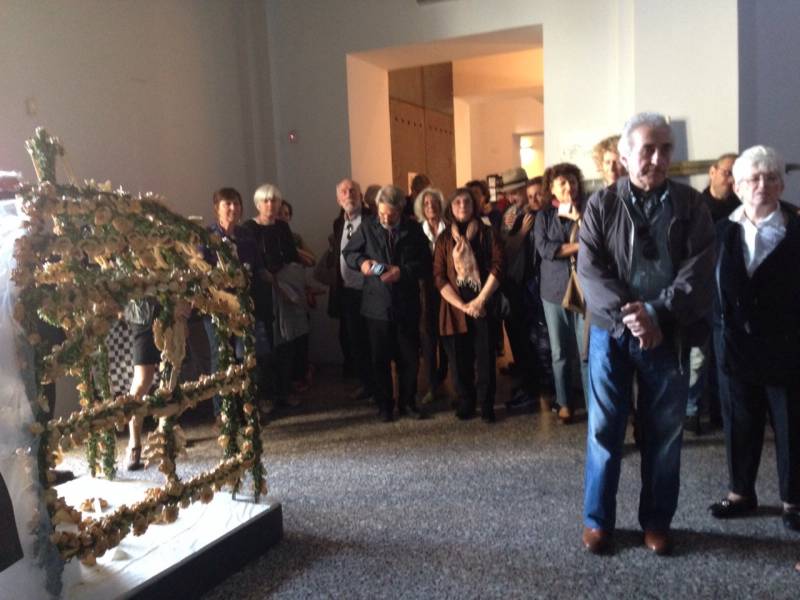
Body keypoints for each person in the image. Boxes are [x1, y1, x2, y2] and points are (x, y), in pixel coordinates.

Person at [578, 112, 715, 555]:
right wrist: (630, 316)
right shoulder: (601, 205)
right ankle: (598, 521)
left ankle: (656, 522)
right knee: (604, 430)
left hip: (667, 334)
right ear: (624, 155)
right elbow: (590, 273)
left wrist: (657, 313)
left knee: (664, 434)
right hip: (610, 335)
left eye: (666, 149)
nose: (657, 158)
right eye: (647, 149)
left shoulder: (691, 205)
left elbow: (699, 270)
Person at [708, 145, 800, 533]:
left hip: (787, 345)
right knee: (739, 420)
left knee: (791, 424)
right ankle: (741, 492)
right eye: (752, 178)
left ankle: (793, 499)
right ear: (738, 186)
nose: (761, 184)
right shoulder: (721, 230)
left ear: (780, 184)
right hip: (735, 345)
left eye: (770, 177)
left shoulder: (796, 227)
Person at [343, 185, 431, 421]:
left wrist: (402, 272)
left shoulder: (413, 230)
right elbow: (349, 253)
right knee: (379, 358)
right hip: (376, 305)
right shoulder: (368, 226)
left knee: (409, 358)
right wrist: (361, 262)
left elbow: (426, 263)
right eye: (381, 213)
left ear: (400, 210)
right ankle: (384, 405)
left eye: (390, 214)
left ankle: (408, 402)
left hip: (406, 304)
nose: (385, 218)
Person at [434, 188, 504, 423]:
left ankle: (486, 404)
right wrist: (463, 306)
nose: (462, 206)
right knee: (458, 360)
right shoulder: (444, 239)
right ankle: (466, 401)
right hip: (454, 309)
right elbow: (439, 276)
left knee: (485, 359)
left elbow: (498, 265)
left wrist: (480, 300)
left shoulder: (487, 233)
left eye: (466, 202)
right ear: (451, 208)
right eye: (457, 202)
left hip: (483, 306)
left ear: (473, 205)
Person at [685, 152, 740, 435]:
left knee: (725, 356)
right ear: (712, 171)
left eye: (735, 174)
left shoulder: (741, 208)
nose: (731, 179)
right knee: (698, 357)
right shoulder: (694, 206)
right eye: (727, 172)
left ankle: (720, 411)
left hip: (730, 294)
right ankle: (692, 411)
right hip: (700, 293)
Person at [534, 163, 589, 424]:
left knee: (587, 351)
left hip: (586, 291)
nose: (569, 187)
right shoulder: (543, 217)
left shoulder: (590, 210)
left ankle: (593, 404)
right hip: (554, 291)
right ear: (552, 188)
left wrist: (578, 220)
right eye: (562, 183)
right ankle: (564, 402)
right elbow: (546, 249)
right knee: (559, 352)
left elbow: (599, 243)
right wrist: (579, 245)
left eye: (573, 181)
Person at [242, 184, 303, 412]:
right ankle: (266, 394)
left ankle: (285, 391)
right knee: (264, 345)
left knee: (285, 344)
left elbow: (291, 257)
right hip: (261, 294)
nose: (271, 205)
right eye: (266, 201)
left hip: (282, 291)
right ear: (258, 204)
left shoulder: (283, 228)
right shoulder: (248, 228)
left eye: (275, 201)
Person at [327, 178, 374, 397]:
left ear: (360, 195)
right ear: (338, 199)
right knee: (355, 342)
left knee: (374, 341)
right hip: (347, 293)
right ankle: (366, 384)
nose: (349, 194)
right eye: (344, 192)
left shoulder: (372, 220)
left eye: (353, 190)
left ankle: (380, 387)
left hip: (370, 292)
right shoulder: (338, 224)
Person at [414, 187, 448, 404]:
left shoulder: (450, 228)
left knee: (448, 337)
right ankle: (432, 385)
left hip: (448, 291)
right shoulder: (417, 231)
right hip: (425, 292)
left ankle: (443, 377)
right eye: (426, 204)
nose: (431, 206)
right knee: (428, 339)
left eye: (434, 202)